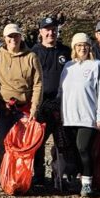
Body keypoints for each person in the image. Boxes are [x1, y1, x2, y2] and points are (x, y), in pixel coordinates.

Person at [59, 33, 100, 198]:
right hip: (68, 117)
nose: (82, 48)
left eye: (85, 45)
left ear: (90, 47)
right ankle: (77, 180)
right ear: (74, 48)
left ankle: (88, 183)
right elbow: (62, 92)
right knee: (73, 150)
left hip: (88, 116)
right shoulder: (68, 66)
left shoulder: (97, 65)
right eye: (78, 45)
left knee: (83, 148)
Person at [0, 24, 43, 168]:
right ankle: (5, 176)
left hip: (24, 108)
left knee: (22, 144)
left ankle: (20, 178)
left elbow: (38, 84)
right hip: (3, 108)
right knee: (2, 144)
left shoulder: (31, 57)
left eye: (16, 35)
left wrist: (34, 109)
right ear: (5, 38)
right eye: (10, 36)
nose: (13, 39)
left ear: (20, 37)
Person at [31, 16, 70, 185]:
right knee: (38, 142)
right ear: (40, 32)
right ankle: (39, 176)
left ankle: (59, 176)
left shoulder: (66, 52)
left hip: (62, 104)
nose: (50, 32)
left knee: (62, 142)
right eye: (47, 29)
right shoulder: (34, 52)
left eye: (53, 29)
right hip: (41, 104)